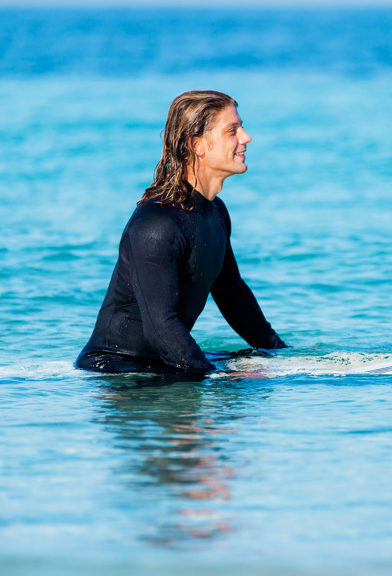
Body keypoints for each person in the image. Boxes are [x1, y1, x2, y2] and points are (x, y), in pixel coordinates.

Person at [75, 90, 287, 374]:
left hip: (164, 360)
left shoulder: (216, 213)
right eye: (232, 131)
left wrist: (278, 354)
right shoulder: (157, 224)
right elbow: (161, 326)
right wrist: (216, 375)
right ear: (198, 145)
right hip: (117, 369)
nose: (246, 137)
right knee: (244, 378)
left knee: (263, 370)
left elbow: (232, 293)